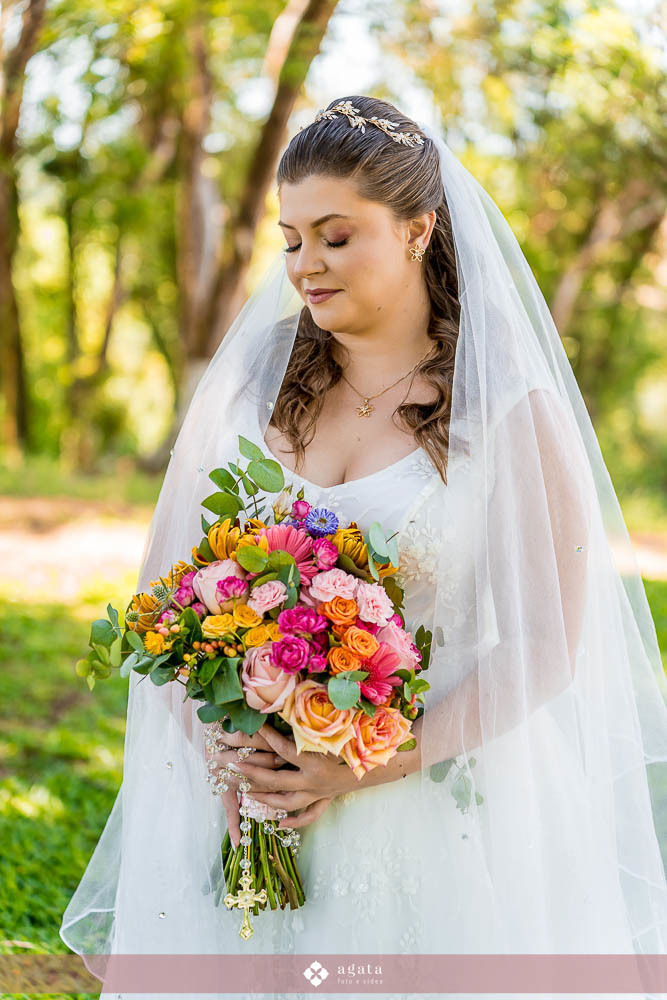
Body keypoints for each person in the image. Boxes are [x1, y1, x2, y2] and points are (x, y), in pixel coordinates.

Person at [60, 95, 667, 1000]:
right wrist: (232, 756)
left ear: (419, 229)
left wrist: (358, 765)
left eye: (337, 236)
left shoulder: (504, 409)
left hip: (430, 802)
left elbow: (545, 646)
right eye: (292, 238)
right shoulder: (250, 386)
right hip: (247, 798)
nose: (307, 264)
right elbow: (171, 600)